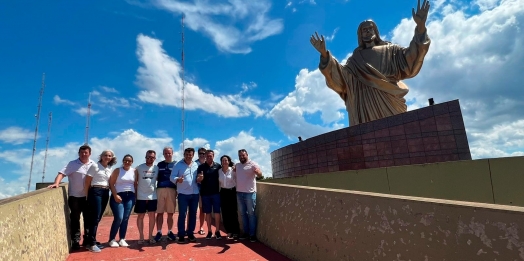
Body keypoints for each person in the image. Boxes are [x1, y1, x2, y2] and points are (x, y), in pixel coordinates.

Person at [310, 0, 431, 126]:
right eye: (364, 30)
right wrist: (324, 54)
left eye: (370, 28)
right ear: (360, 35)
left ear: (376, 31)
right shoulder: (355, 59)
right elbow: (342, 79)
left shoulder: (391, 50)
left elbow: (411, 58)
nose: (367, 31)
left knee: (398, 134)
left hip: (390, 102)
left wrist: (421, 27)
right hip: (364, 108)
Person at [48, 145, 95, 250]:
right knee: (75, 219)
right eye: (81, 153)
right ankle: (75, 241)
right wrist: (56, 183)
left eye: (86, 153)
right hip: (75, 197)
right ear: (79, 153)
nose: (83, 154)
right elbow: (61, 174)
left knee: (88, 219)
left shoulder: (93, 165)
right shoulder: (72, 164)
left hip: (88, 196)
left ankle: (87, 240)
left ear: (89, 154)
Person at [83, 149, 117, 253]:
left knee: (98, 218)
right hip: (95, 191)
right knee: (95, 217)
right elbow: (87, 181)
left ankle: (90, 240)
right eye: (105, 155)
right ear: (101, 156)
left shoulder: (108, 168)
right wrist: (87, 196)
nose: (107, 157)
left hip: (105, 192)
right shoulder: (95, 166)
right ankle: (91, 244)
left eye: (110, 156)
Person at [170, 147, 200, 243]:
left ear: (193, 155)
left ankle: (190, 233)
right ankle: (181, 234)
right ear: (184, 155)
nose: (188, 156)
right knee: (182, 215)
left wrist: (200, 178)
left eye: (190, 154)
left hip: (195, 194)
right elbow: (172, 177)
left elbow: (199, 177)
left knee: (193, 214)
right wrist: (178, 179)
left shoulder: (196, 164)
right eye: (186, 154)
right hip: (183, 194)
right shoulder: (178, 165)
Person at [108, 154, 136, 248]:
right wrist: (115, 195)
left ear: (132, 162)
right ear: (123, 161)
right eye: (125, 160)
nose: (127, 162)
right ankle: (112, 239)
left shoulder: (134, 171)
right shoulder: (117, 170)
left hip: (130, 196)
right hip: (119, 196)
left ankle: (122, 239)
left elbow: (135, 184)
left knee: (125, 218)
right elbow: (111, 184)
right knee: (119, 217)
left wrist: (135, 197)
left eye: (129, 161)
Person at [235, 149, 263, 242]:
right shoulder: (237, 166)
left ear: (247, 155)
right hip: (239, 193)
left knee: (251, 214)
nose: (241, 157)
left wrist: (258, 172)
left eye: (243, 155)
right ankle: (245, 233)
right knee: (243, 214)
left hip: (250, 193)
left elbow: (259, 175)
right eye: (240, 156)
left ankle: (252, 235)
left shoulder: (253, 164)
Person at [134, 150, 159, 244]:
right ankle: (141, 236)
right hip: (141, 196)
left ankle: (150, 236)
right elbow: (135, 183)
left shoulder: (156, 168)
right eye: (148, 157)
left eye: (152, 157)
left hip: (153, 196)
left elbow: (159, 180)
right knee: (141, 216)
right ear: (145, 157)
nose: (150, 159)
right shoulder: (139, 168)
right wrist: (136, 195)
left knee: (152, 216)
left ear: (154, 158)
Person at [196, 150, 222, 240]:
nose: (209, 157)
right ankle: (209, 231)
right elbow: (198, 180)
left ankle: (217, 231)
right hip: (205, 194)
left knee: (217, 212)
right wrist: (200, 178)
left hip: (216, 193)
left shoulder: (218, 166)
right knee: (207, 213)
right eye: (207, 156)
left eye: (210, 156)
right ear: (205, 157)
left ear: (213, 156)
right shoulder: (201, 167)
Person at [153, 147, 177, 242]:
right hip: (160, 189)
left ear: (172, 153)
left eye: (169, 153)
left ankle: (170, 232)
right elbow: (157, 177)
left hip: (171, 190)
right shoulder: (159, 164)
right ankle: (159, 232)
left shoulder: (176, 164)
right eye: (166, 153)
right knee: (159, 213)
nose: (167, 155)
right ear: (163, 154)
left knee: (170, 213)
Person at [218, 155, 240, 239]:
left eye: (226, 160)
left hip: (232, 192)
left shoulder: (233, 170)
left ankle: (236, 232)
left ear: (229, 161)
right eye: (223, 160)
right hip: (223, 192)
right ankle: (229, 231)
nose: (224, 162)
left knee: (233, 212)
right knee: (225, 212)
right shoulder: (219, 171)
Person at [195, 147, 207, 235]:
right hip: (195, 189)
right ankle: (189, 229)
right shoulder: (194, 164)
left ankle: (201, 227)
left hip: (205, 190)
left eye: (203, 153)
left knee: (203, 210)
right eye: (200, 153)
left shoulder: (209, 163)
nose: (202, 155)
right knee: (192, 210)